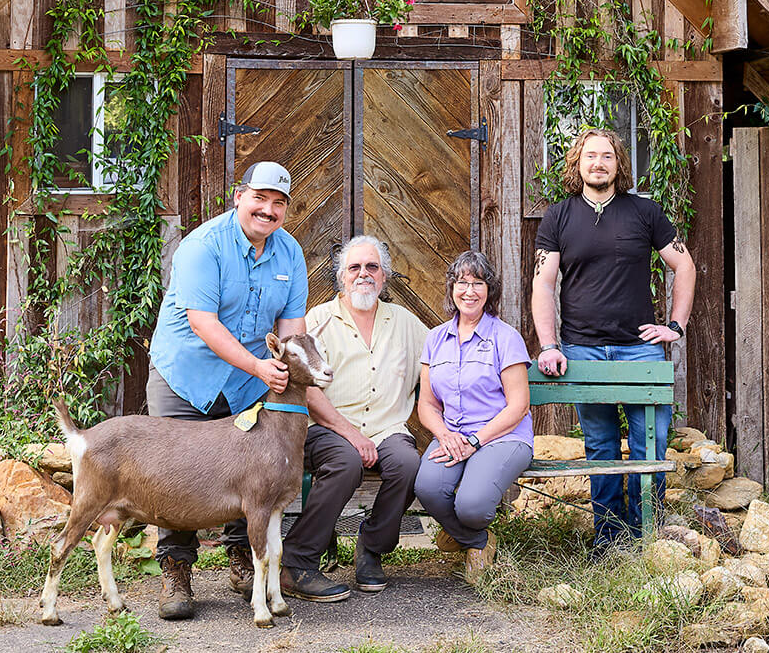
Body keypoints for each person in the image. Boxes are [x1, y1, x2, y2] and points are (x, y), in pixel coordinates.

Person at [146, 160, 307, 620]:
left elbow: (292, 328)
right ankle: (176, 568)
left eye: (279, 203)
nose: (268, 210)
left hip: (248, 383)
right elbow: (203, 323)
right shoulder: (202, 246)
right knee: (175, 472)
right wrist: (259, 366)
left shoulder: (290, 254)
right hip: (187, 376)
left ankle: (242, 559)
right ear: (239, 197)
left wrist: (288, 366)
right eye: (260, 198)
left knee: (252, 469)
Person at [531, 128, 696, 553]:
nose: (598, 163)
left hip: (640, 350)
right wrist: (549, 344)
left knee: (649, 444)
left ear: (619, 163)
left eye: (607, 156)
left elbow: (685, 266)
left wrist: (675, 327)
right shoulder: (559, 217)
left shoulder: (645, 212)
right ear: (578, 163)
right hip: (582, 349)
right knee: (601, 446)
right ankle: (609, 540)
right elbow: (543, 284)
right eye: (590, 156)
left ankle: (647, 539)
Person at [280, 235, 427, 601]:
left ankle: (372, 547)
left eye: (372, 267)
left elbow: (440, 363)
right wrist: (351, 434)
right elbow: (307, 388)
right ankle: (297, 564)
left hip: (387, 428)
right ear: (341, 276)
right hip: (327, 428)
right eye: (354, 267)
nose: (363, 274)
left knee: (408, 464)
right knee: (346, 463)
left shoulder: (406, 323)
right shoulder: (318, 320)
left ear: (384, 276)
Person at [414, 251, 533, 579]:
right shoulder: (436, 339)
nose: (469, 291)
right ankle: (477, 541)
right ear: (451, 288)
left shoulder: (505, 337)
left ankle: (462, 528)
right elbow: (427, 404)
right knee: (427, 487)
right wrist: (444, 435)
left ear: (489, 290)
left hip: (503, 436)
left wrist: (475, 441)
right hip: (454, 434)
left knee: (472, 505)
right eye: (462, 283)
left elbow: (518, 405)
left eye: (478, 283)